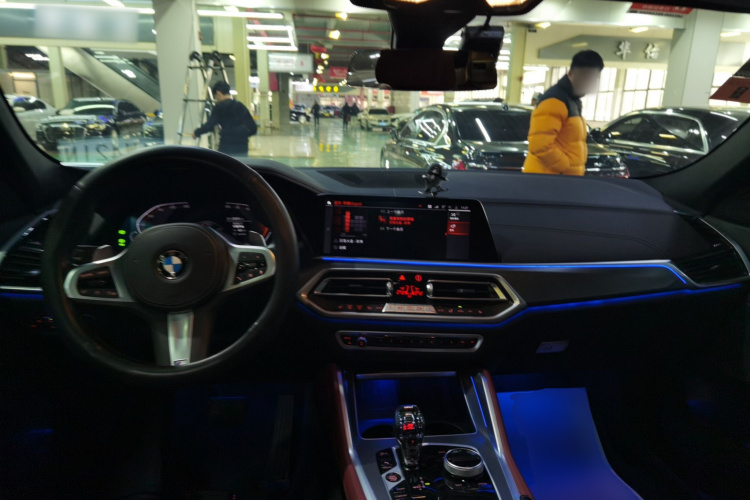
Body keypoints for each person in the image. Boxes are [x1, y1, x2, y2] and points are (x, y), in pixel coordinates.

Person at [523, 50, 604, 176]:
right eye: (585, 76)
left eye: (593, 78)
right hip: (548, 178)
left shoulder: (572, 100)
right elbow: (540, 145)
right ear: (571, 74)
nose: (589, 82)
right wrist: (566, 166)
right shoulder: (555, 100)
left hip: (561, 177)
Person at [192, 81, 257, 157]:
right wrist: (242, 135)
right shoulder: (241, 106)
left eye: (216, 96)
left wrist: (196, 133)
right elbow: (253, 128)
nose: (216, 99)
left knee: (224, 164)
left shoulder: (219, 107)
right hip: (242, 146)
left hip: (226, 146)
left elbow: (209, 126)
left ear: (218, 93)